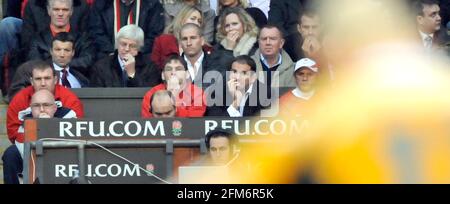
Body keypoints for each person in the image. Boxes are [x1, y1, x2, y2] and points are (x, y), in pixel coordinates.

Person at [2, 89, 78, 184]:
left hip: (64, 166)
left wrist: (49, 125)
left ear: (55, 107)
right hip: (35, 164)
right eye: (36, 106)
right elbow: (22, 149)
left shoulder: (68, 116)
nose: (42, 109)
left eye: (46, 105)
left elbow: (73, 146)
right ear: (31, 109)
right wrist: (39, 127)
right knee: (11, 153)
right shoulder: (26, 121)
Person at [7, 60, 84, 145]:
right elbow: (13, 134)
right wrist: (36, 132)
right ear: (32, 81)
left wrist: (49, 126)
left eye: (47, 78)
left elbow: (77, 132)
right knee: (10, 154)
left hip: (63, 147)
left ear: (55, 80)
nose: (43, 83)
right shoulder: (20, 99)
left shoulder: (70, 99)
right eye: (38, 79)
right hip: (27, 146)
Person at [27, 0, 96, 77]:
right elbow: (35, 63)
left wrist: (58, 64)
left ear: (71, 11)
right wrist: (64, 64)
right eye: (56, 9)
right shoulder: (37, 40)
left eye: (65, 10)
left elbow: (87, 61)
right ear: (49, 11)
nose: (60, 14)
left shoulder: (83, 39)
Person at [90, 25, 161, 87]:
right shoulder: (101, 67)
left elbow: (149, 95)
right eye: (123, 44)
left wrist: (132, 74)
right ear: (117, 44)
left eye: (132, 46)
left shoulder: (150, 66)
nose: (127, 49)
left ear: (139, 48)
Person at [88, 0, 164, 59]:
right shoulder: (102, 3)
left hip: (141, 56)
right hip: (108, 55)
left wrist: (138, 51)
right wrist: (112, 52)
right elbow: (96, 31)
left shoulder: (152, 4)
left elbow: (154, 34)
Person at [206, 55, 273, 117]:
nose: (237, 77)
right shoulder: (218, 93)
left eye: (244, 73)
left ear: (253, 78)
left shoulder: (266, 94)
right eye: (234, 72)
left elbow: (261, 125)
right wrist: (235, 102)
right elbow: (215, 123)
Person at [141, 54, 206, 118]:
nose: (173, 72)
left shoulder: (197, 93)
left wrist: (174, 98)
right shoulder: (152, 93)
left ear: (187, 74)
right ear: (163, 75)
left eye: (178, 69)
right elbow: (148, 121)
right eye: (169, 69)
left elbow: (194, 121)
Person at [151, 5, 210, 69]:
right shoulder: (163, 41)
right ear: (181, 20)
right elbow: (153, 69)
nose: (196, 23)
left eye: (199, 21)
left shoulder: (206, 48)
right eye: (193, 19)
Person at [209, 7, 259, 72]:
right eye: (227, 26)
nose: (231, 28)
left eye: (235, 24)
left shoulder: (257, 46)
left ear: (245, 25)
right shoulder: (217, 49)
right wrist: (229, 49)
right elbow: (218, 75)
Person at [179, 23, 224, 90]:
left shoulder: (217, 64)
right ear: (180, 44)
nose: (189, 43)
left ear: (202, 41)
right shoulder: (173, 66)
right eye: (185, 39)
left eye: (193, 38)